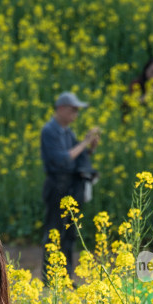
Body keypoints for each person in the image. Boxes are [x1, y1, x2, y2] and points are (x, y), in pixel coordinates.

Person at [40, 91, 101, 280]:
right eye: (73, 110)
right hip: (57, 185)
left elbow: (78, 157)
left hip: (71, 186)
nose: (76, 114)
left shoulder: (68, 131)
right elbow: (62, 160)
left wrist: (91, 146)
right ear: (61, 109)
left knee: (70, 232)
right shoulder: (49, 131)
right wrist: (84, 142)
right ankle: (50, 277)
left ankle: (65, 276)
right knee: (54, 232)